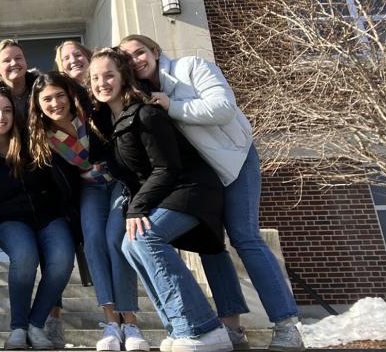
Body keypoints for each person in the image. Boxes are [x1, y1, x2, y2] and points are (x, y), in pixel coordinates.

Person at [118, 34, 305, 352]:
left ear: (155, 51)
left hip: (235, 159)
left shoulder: (191, 68)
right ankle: (231, 328)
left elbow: (223, 109)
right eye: (129, 57)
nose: (136, 60)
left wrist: (172, 105)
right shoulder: (139, 93)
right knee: (211, 245)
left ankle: (287, 326)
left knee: (245, 237)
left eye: (140, 52)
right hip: (201, 174)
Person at [89, 48, 233, 352]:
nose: (102, 83)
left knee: (145, 237)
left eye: (109, 76)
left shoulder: (145, 113)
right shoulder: (109, 121)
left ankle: (204, 328)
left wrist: (137, 208)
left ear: (123, 77)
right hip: (166, 194)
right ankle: (179, 327)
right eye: (95, 78)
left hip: (191, 190)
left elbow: (167, 167)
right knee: (130, 244)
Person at [28, 71, 150, 352]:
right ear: (38, 105)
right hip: (89, 192)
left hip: (120, 183)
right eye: (47, 99)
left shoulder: (92, 115)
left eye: (60, 95)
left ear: (69, 95)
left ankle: (130, 323)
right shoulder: (42, 138)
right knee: (93, 240)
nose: (55, 102)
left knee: (114, 239)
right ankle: (110, 322)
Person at [0, 87, 75, 350]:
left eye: (8, 110)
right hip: (7, 219)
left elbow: (54, 178)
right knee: (24, 256)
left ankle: (35, 325)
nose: (2, 116)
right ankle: (18, 329)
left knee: (62, 260)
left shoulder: (30, 141)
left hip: (48, 215)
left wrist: (64, 211)